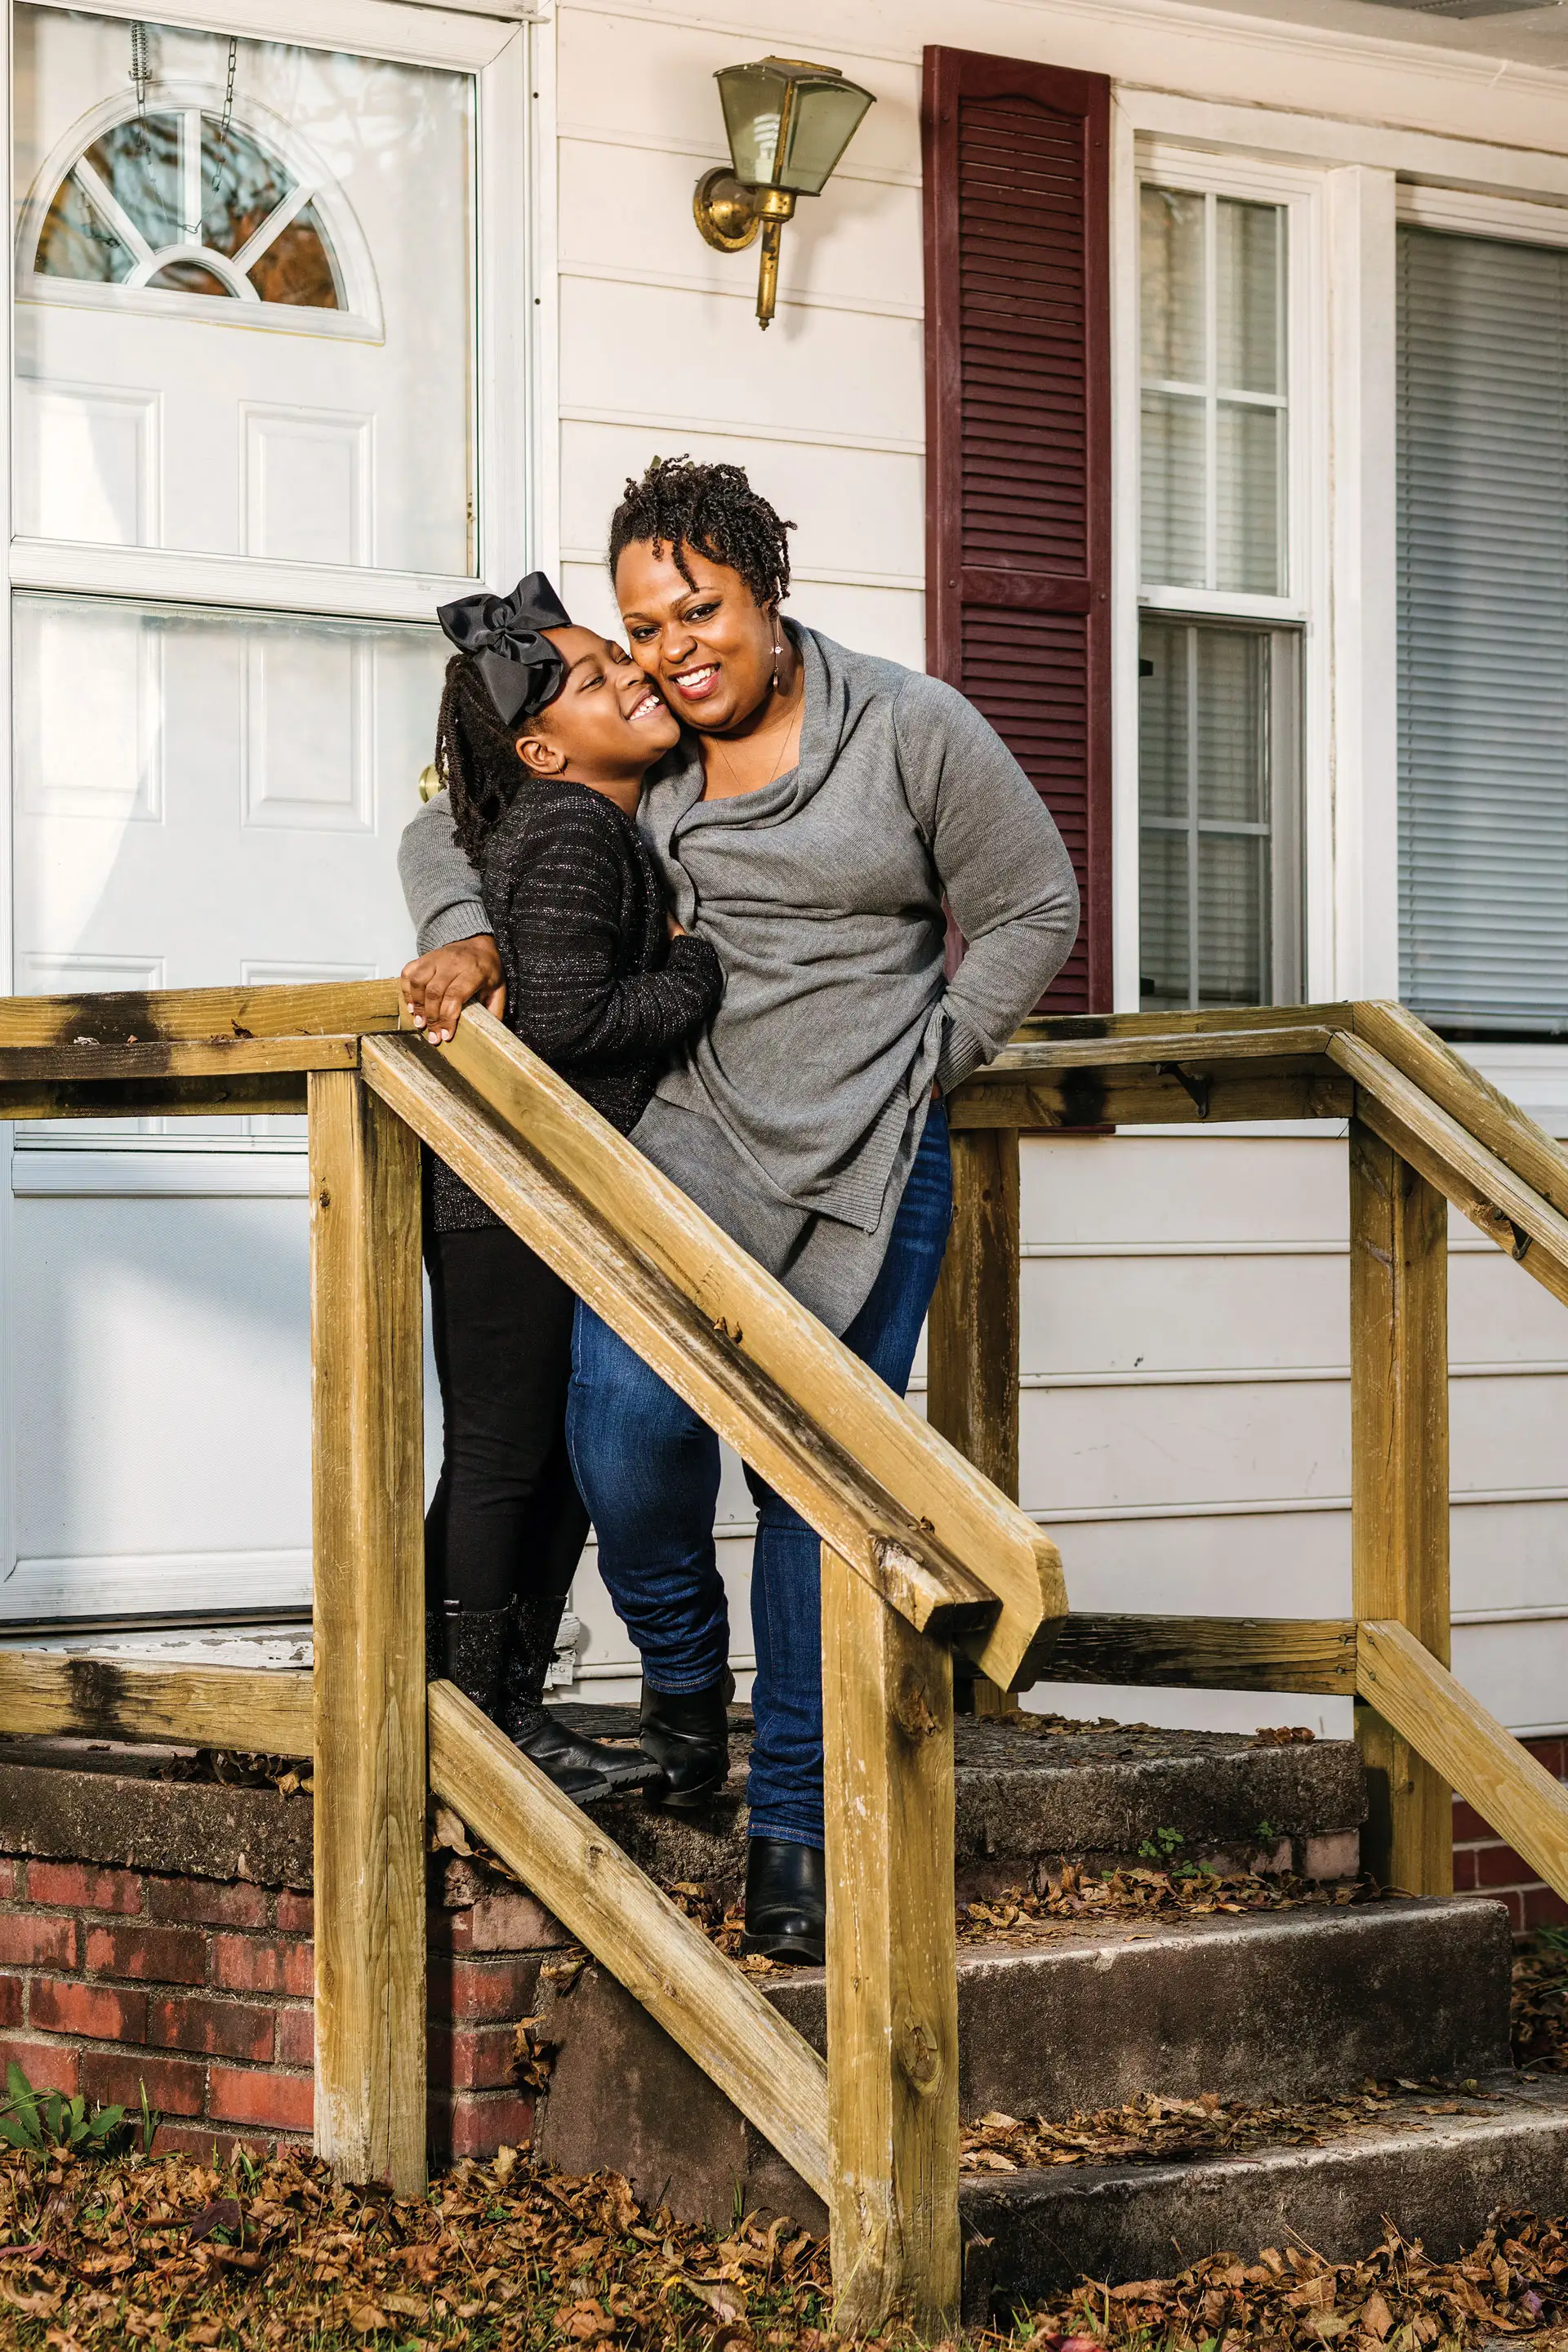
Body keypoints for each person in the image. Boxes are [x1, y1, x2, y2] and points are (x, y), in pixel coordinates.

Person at [401, 460, 1080, 1959]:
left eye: (699, 609)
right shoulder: (652, 762)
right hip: (688, 1157)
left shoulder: (909, 728)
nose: (673, 648)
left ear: (767, 591)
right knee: (624, 1440)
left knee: (806, 1504)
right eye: (643, 624)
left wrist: (938, 1059)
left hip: (868, 1170)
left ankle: (791, 1837)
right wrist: (459, 933)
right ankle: (684, 1678)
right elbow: (457, 820)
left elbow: (1037, 906)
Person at [415, 570, 724, 1805]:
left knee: (550, 1455)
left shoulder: (598, 824)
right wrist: (698, 973)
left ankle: (505, 1709)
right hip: (507, 1197)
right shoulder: (574, 826)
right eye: (600, 677)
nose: (637, 675)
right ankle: (463, 1708)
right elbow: (566, 1021)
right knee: (505, 1455)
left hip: (554, 1192)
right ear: (541, 744)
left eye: (624, 659)